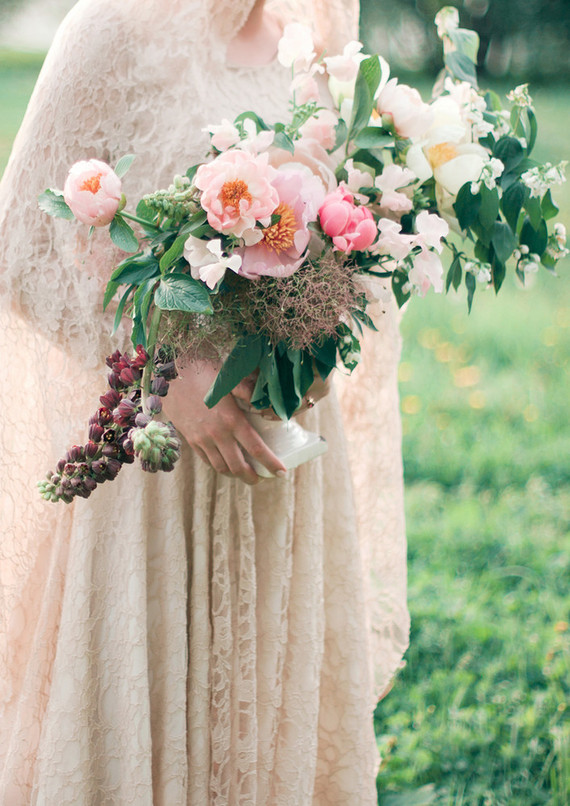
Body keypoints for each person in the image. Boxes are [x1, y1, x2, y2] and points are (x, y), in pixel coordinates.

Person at [0, 0, 409, 802]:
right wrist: (169, 379)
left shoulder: (313, 35)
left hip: (284, 474)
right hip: (154, 485)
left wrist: (324, 339)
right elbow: (20, 249)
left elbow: (345, 229)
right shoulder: (109, 33)